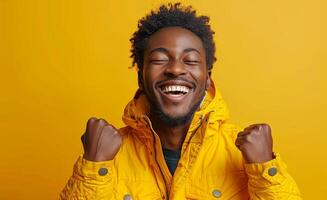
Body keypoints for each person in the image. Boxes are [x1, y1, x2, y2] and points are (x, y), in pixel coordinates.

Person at [60, 3, 302, 200]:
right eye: (159, 59)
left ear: (207, 79)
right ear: (141, 78)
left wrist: (265, 171)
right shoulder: (105, 156)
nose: (175, 69)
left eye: (190, 60)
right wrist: (92, 170)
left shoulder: (244, 155)